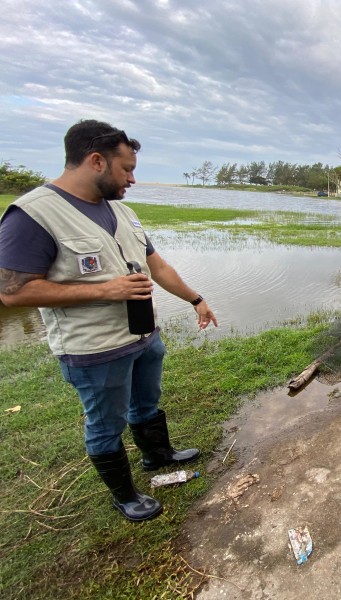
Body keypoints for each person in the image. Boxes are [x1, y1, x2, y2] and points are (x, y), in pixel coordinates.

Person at [0, 120, 218, 522]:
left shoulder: (122, 210)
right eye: (126, 169)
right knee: (106, 422)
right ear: (96, 161)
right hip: (94, 349)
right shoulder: (33, 214)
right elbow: (13, 292)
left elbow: (158, 266)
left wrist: (196, 299)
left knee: (146, 402)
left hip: (142, 336)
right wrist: (106, 291)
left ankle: (157, 454)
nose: (133, 179)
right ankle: (125, 495)